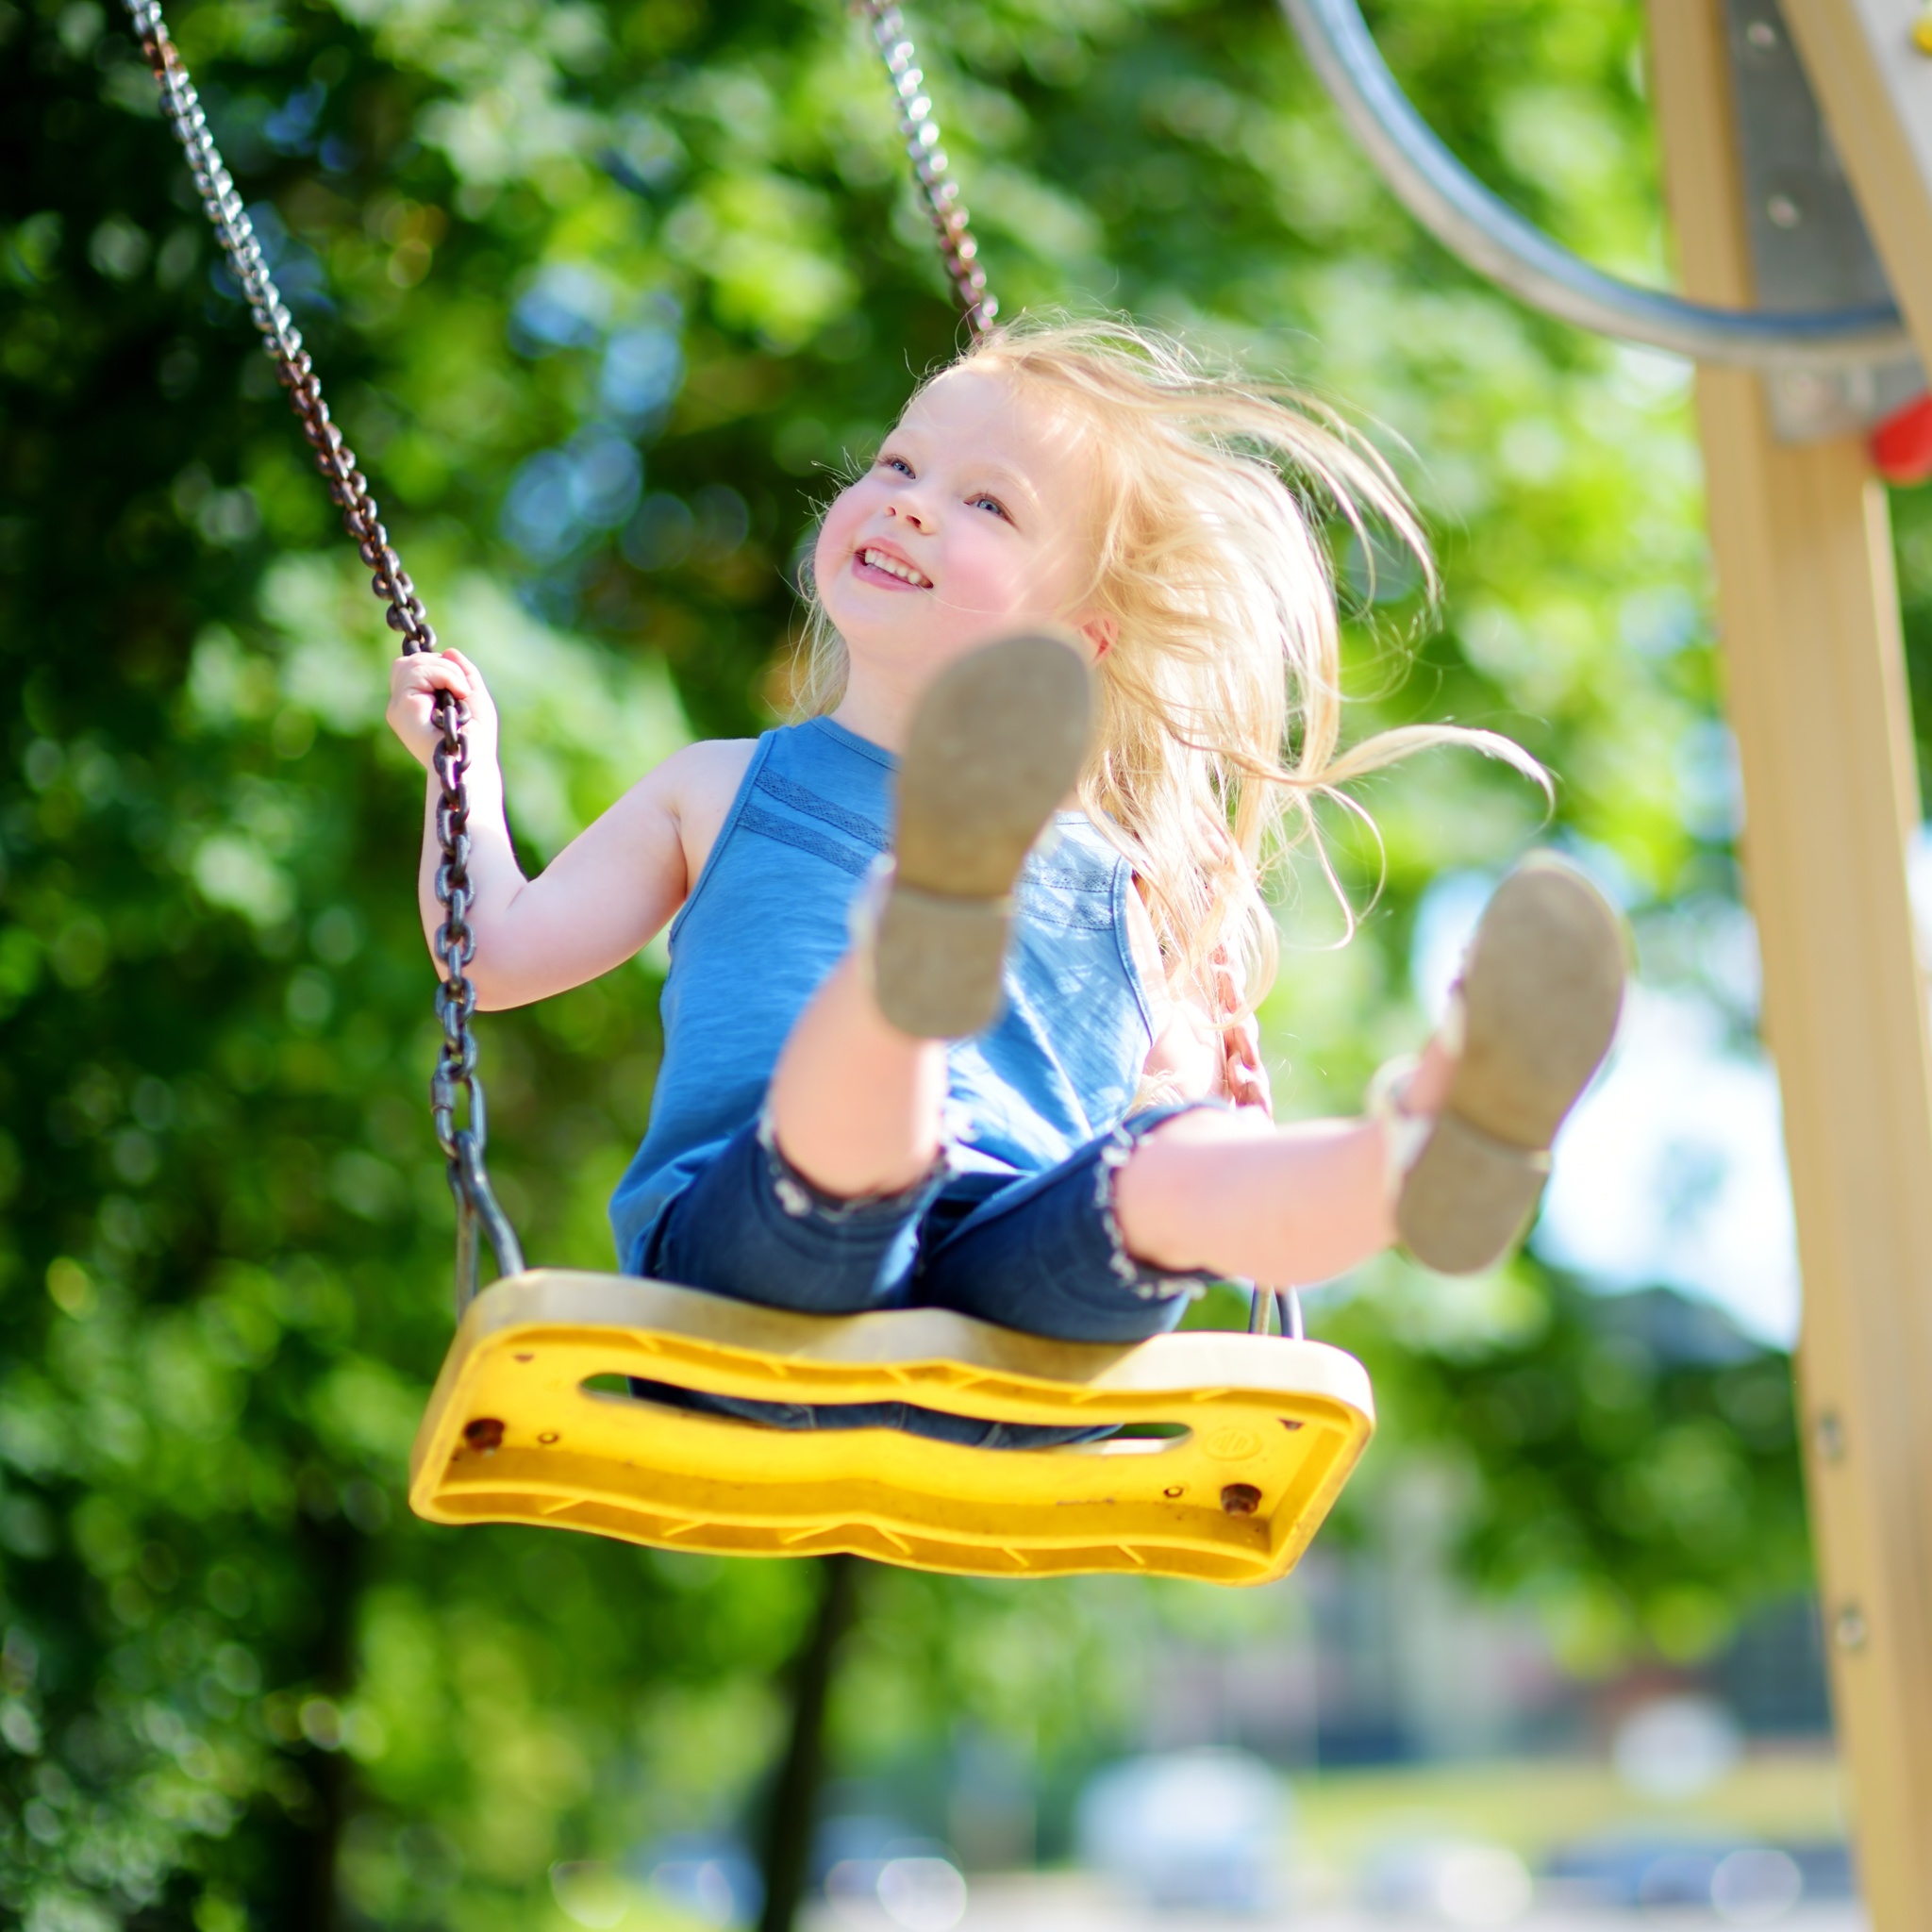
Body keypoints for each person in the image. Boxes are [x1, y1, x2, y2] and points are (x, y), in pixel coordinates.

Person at [385, 317, 1624, 1445]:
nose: (912, 505)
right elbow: (492, 955)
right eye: (896, 467)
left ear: (1080, 637)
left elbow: (1166, 1121)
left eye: (988, 504)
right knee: (862, 1152)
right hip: (752, 1293)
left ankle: (1413, 1155)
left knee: (1164, 1177)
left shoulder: (1125, 885)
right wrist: (463, 776)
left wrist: (1221, 1115)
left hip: (1014, 1324)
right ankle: (910, 958)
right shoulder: (721, 787)